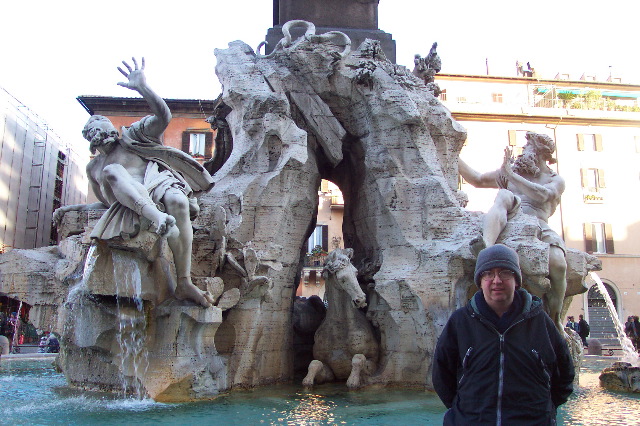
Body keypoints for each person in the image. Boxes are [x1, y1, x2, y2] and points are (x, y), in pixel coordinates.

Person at [53, 58, 214, 308]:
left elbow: (163, 116)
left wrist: (143, 88)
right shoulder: (94, 167)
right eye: (90, 127)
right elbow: (105, 204)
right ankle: (158, 218)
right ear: (88, 139)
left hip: (157, 185)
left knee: (178, 200)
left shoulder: (133, 137)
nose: (95, 126)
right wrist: (72, 209)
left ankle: (184, 282)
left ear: (112, 128)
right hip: (130, 205)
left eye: (100, 122)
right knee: (113, 170)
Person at [432, 244, 574, 425]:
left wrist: (545, 410)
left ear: (516, 279)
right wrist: (464, 411)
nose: (496, 280)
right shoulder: (461, 321)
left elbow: (564, 373)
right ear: (480, 281)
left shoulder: (540, 321)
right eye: (488, 273)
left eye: (505, 272)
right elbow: (442, 374)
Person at [459, 132, 567, 334]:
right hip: (513, 217)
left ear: (540, 153)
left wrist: (511, 175)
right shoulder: (510, 174)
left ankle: (556, 316)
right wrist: (451, 150)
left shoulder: (554, 179)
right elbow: (477, 179)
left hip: (540, 223)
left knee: (559, 264)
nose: (522, 152)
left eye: (527, 148)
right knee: (504, 194)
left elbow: (543, 195)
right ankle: (486, 247)